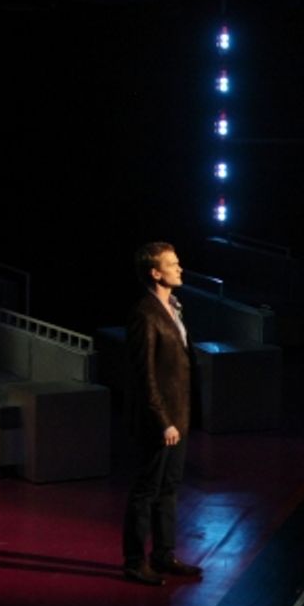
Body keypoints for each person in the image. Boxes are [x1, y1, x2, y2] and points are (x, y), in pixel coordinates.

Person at [121, 242, 203, 585]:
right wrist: (163, 420)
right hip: (160, 420)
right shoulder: (145, 313)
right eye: (173, 264)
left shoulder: (174, 307)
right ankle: (135, 562)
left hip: (178, 417)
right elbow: (146, 375)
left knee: (169, 488)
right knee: (146, 490)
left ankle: (164, 553)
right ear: (155, 273)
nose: (180, 268)